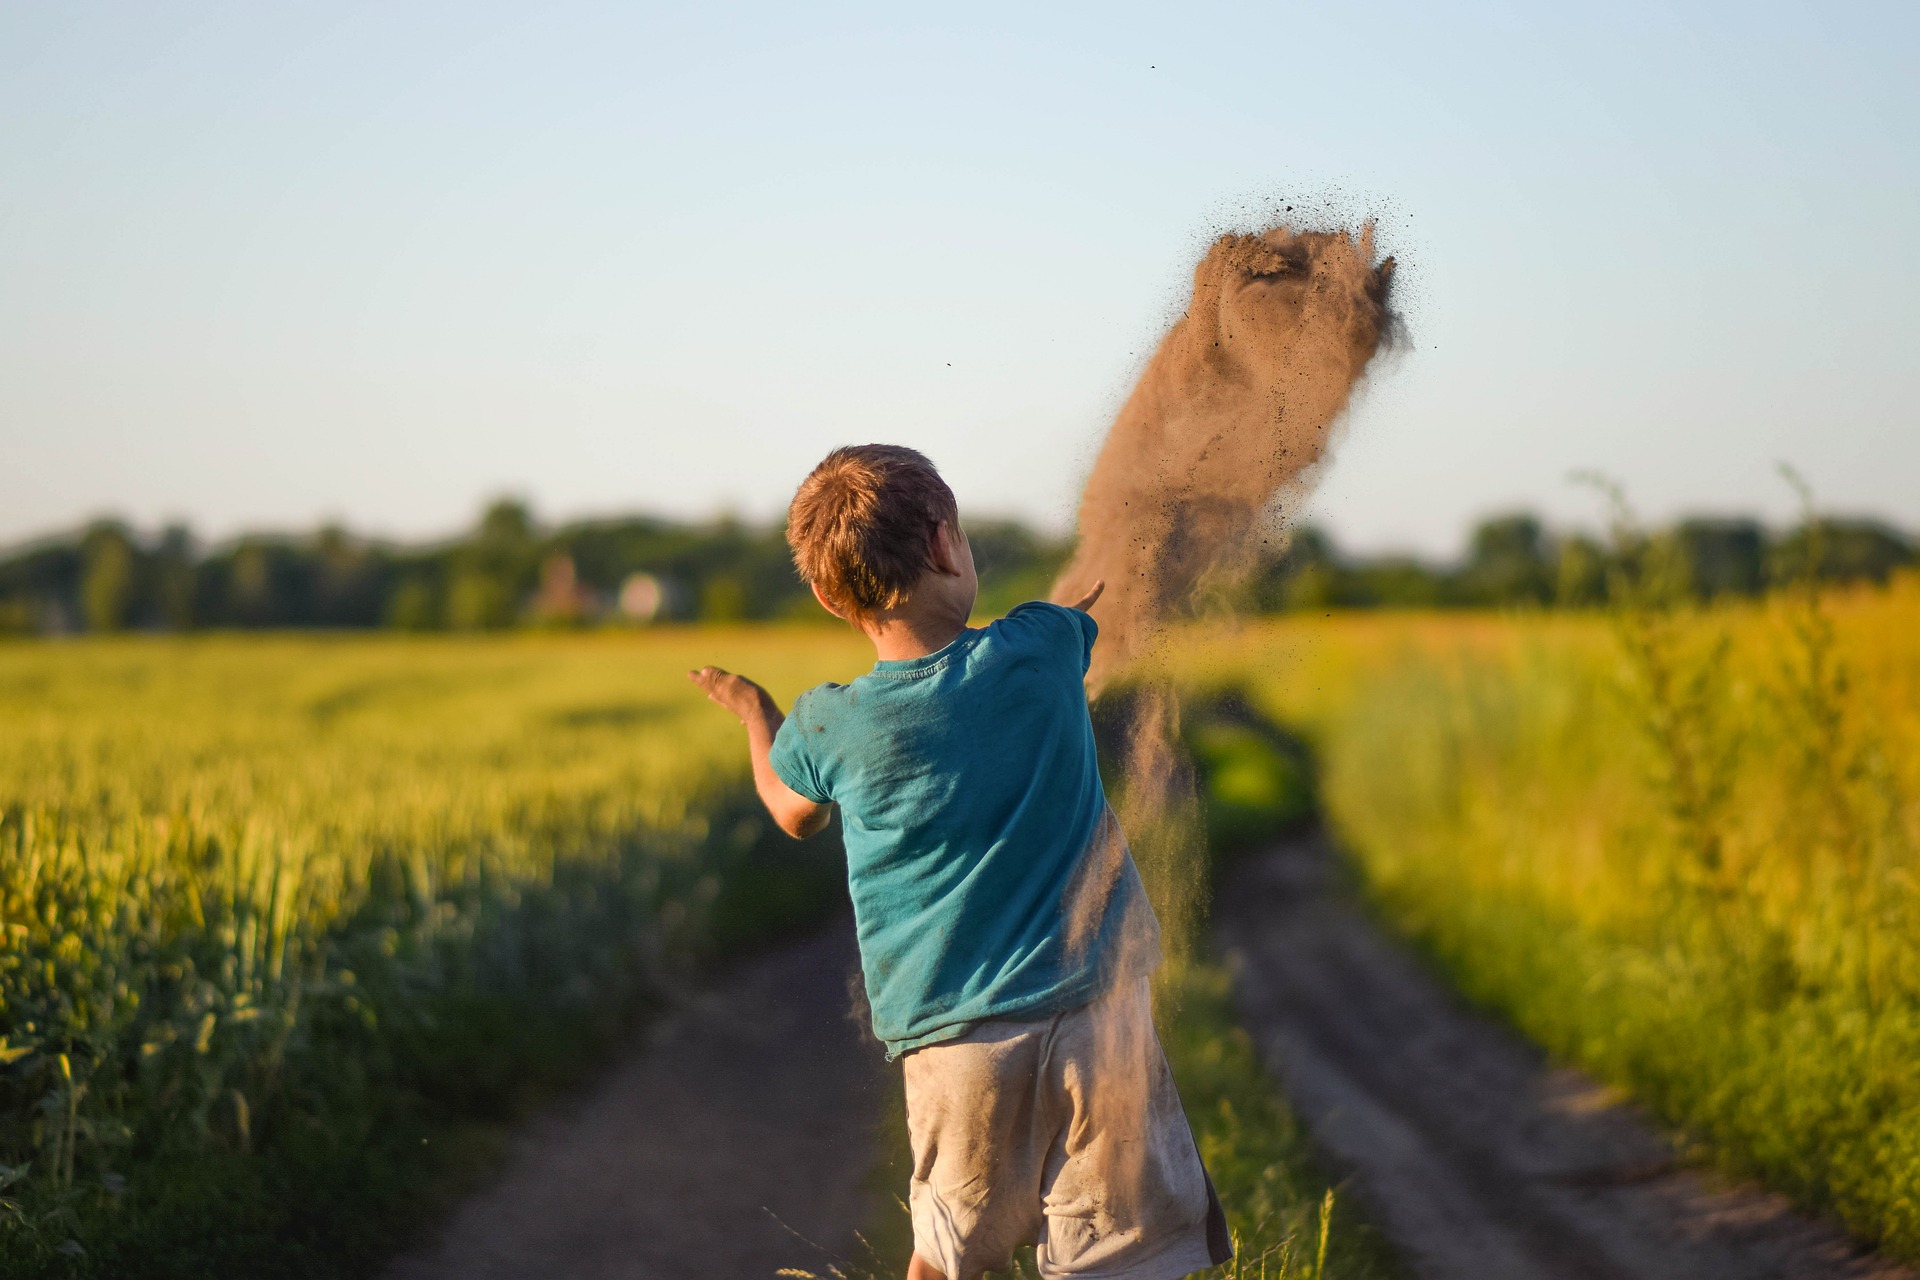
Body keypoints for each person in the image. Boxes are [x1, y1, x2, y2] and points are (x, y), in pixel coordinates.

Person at [689, 444, 1232, 1280]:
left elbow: (790, 813)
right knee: (1123, 1258)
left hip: (956, 1043)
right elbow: (1081, 615)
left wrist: (756, 715)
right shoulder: (1042, 644)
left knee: (947, 1256)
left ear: (830, 597)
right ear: (945, 543)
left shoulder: (827, 726)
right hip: (1100, 1014)